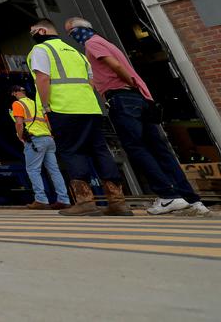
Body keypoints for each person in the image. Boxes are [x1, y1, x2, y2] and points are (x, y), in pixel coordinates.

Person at [67, 16, 209, 216]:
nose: (71, 36)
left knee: (136, 147)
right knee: (160, 150)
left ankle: (167, 196)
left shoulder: (92, 44)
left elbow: (115, 66)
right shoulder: (107, 42)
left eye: (70, 32)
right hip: (138, 99)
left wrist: (128, 85)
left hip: (122, 97)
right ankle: (191, 200)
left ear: (77, 30)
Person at [29, 18, 131, 216]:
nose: (32, 35)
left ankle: (85, 202)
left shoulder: (42, 50)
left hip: (63, 108)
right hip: (90, 109)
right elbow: (91, 81)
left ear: (41, 31)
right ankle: (118, 202)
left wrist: (47, 105)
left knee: (72, 151)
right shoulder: (76, 52)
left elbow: (42, 78)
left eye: (33, 31)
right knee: (100, 151)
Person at [10, 85, 70, 210]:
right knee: (54, 170)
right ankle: (64, 199)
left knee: (33, 170)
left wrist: (21, 137)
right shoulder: (36, 103)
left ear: (15, 93)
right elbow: (48, 122)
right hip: (48, 139)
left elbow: (19, 123)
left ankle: (41, 199)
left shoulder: (18, 104)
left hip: (35, 140)